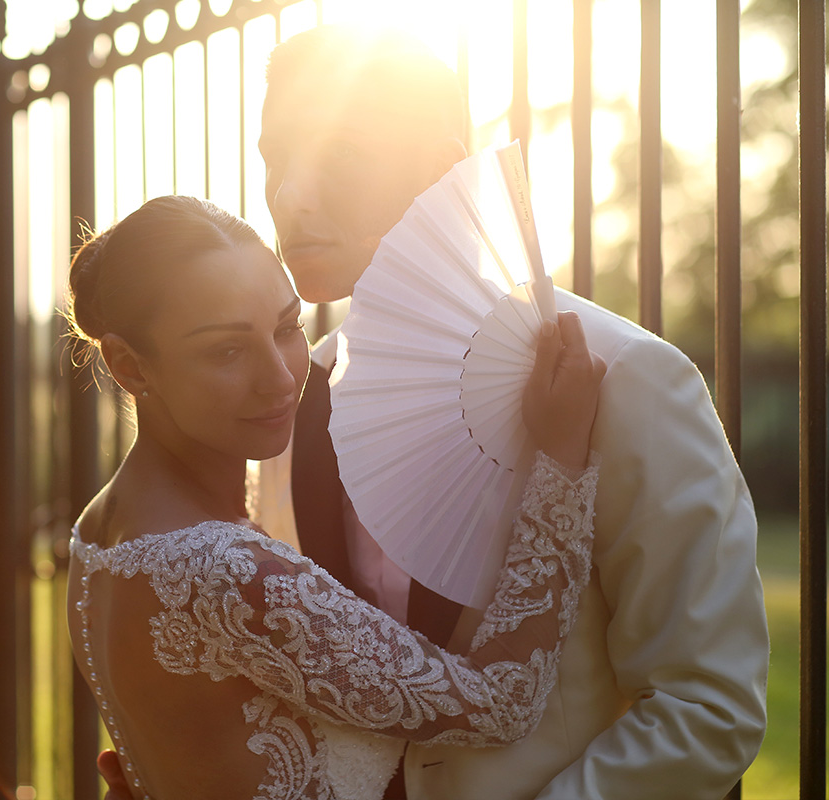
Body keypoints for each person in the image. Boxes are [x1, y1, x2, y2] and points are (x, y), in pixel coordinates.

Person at [100, 24, 768, 800]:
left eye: (335, 159)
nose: (290, 196)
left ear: (447, 168)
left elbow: (706, 707)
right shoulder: (294, 399)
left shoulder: (629, 379)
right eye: (274, 158)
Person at [67, 194, 606, 800]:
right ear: (129, 366)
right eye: (226, 350)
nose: (280, 376)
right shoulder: (225, 571)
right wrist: (561, 460)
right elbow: (503, 701)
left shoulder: (97, 530)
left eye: (286, 327)